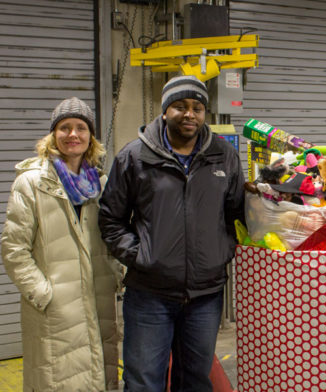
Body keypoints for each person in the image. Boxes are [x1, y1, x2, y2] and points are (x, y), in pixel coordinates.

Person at [98, 75, 245, 392]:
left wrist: (223, 251)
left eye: (197, 107)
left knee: (194, 380)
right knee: (143, 382)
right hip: (150, 294)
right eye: (180, 106)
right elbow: (110, 218)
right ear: (165, 111)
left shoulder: (224, 156)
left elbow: (236, 215)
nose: (190, 114)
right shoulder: (135, 157)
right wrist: (141, 257)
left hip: (205, 295)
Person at [1, 97, 122, 391]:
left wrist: (116, 274)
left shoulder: (100, 183)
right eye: (64, 127)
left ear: (90, 137)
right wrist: (43, 293)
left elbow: (113, 235)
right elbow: (14, 249)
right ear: (53, 135)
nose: (73, 135)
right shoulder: (31, 183)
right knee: (58, 380)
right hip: (56, 309)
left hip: (98, 300)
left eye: (81, 128)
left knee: (98, 376)